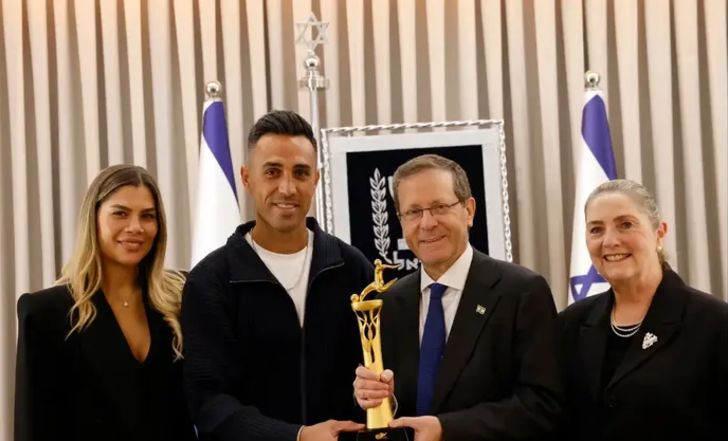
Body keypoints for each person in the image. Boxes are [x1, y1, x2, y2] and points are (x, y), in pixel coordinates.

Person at [182, 110, 371, 441]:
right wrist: (297, 436)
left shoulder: (353, 268)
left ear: (316, 179)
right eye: (272, 172)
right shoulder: (210, 281)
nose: (287, 188)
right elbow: (210, 403)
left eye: (300, 172)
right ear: (247, 178)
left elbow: (377, 375)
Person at [353, 154, 562, 440]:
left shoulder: (522, 292)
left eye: (440, 207)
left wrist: (446, 429)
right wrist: (371, 396)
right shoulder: (389, 303)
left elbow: (543, 407)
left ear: (469, 210)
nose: (427, 223)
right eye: (413, 212)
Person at [15, 165, 196, 441]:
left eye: (147, 216)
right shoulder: (45, 312)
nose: (135, 227)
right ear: (93, 218)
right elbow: (33, 428)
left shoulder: (182, 295)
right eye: (120, 213)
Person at [558, 179, 728, 440]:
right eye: (596, 230)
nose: (610, 241)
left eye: (626, 225)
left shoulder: (715, 323)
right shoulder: (570, 324)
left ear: (659, 233)